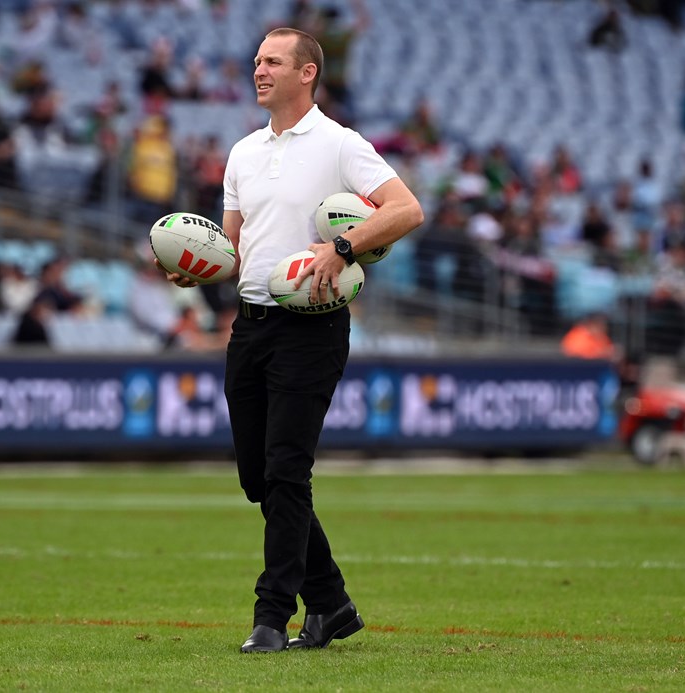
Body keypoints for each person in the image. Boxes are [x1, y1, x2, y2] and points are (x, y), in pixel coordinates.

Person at [159, 26, 423, 653]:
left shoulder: (341, 144)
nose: (259, 70)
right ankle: (330, 603)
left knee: (285, 470)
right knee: (259, 477)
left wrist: (341, 246)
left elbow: (406, 209)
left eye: (273, 61)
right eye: (256, 61)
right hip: (249, 327)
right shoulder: (243, 152)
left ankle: (271, 616)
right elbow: (233, 251)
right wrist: (193, 268)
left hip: (312, 328)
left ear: (307, 73)